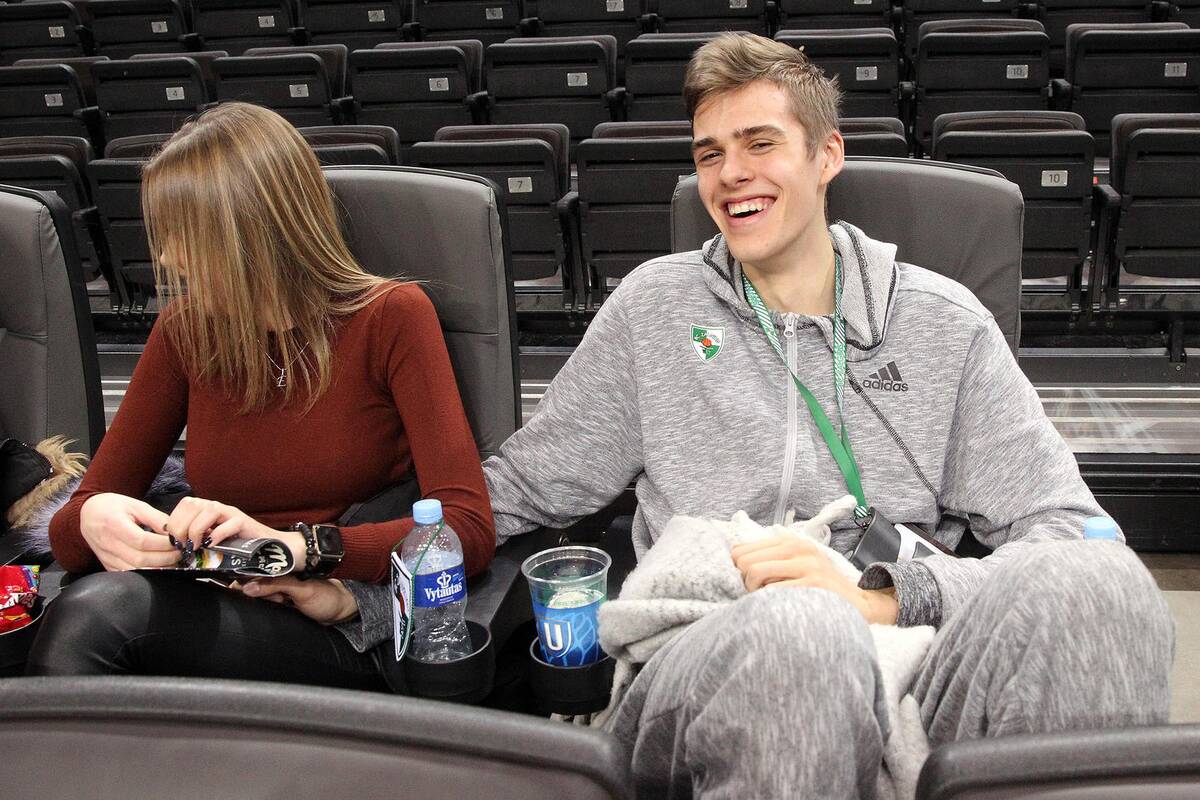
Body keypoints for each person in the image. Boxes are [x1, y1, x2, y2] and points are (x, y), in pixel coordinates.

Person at [310, 34, 1173, 797]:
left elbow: (1073, 533)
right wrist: (353, 581)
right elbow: (516, 491)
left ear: (827, 155)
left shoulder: (944, 326)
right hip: (706, 655)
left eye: (760, 143)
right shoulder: (656, 309)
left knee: (1108, 588)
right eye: (710, 153)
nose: (730, 174)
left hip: (910, 654)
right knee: (801, 631)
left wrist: (879, 598)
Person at [26, 102, 494, 690]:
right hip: (217, 602)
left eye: (181, 235)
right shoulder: (185, 332)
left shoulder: (391, 316)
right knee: (87, 614)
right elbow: (71, 535)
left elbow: (467, 528)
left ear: (249, 232)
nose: (165, 258)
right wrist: (93, 518)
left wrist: (299, 548)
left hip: (337, 615)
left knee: (100, 620)